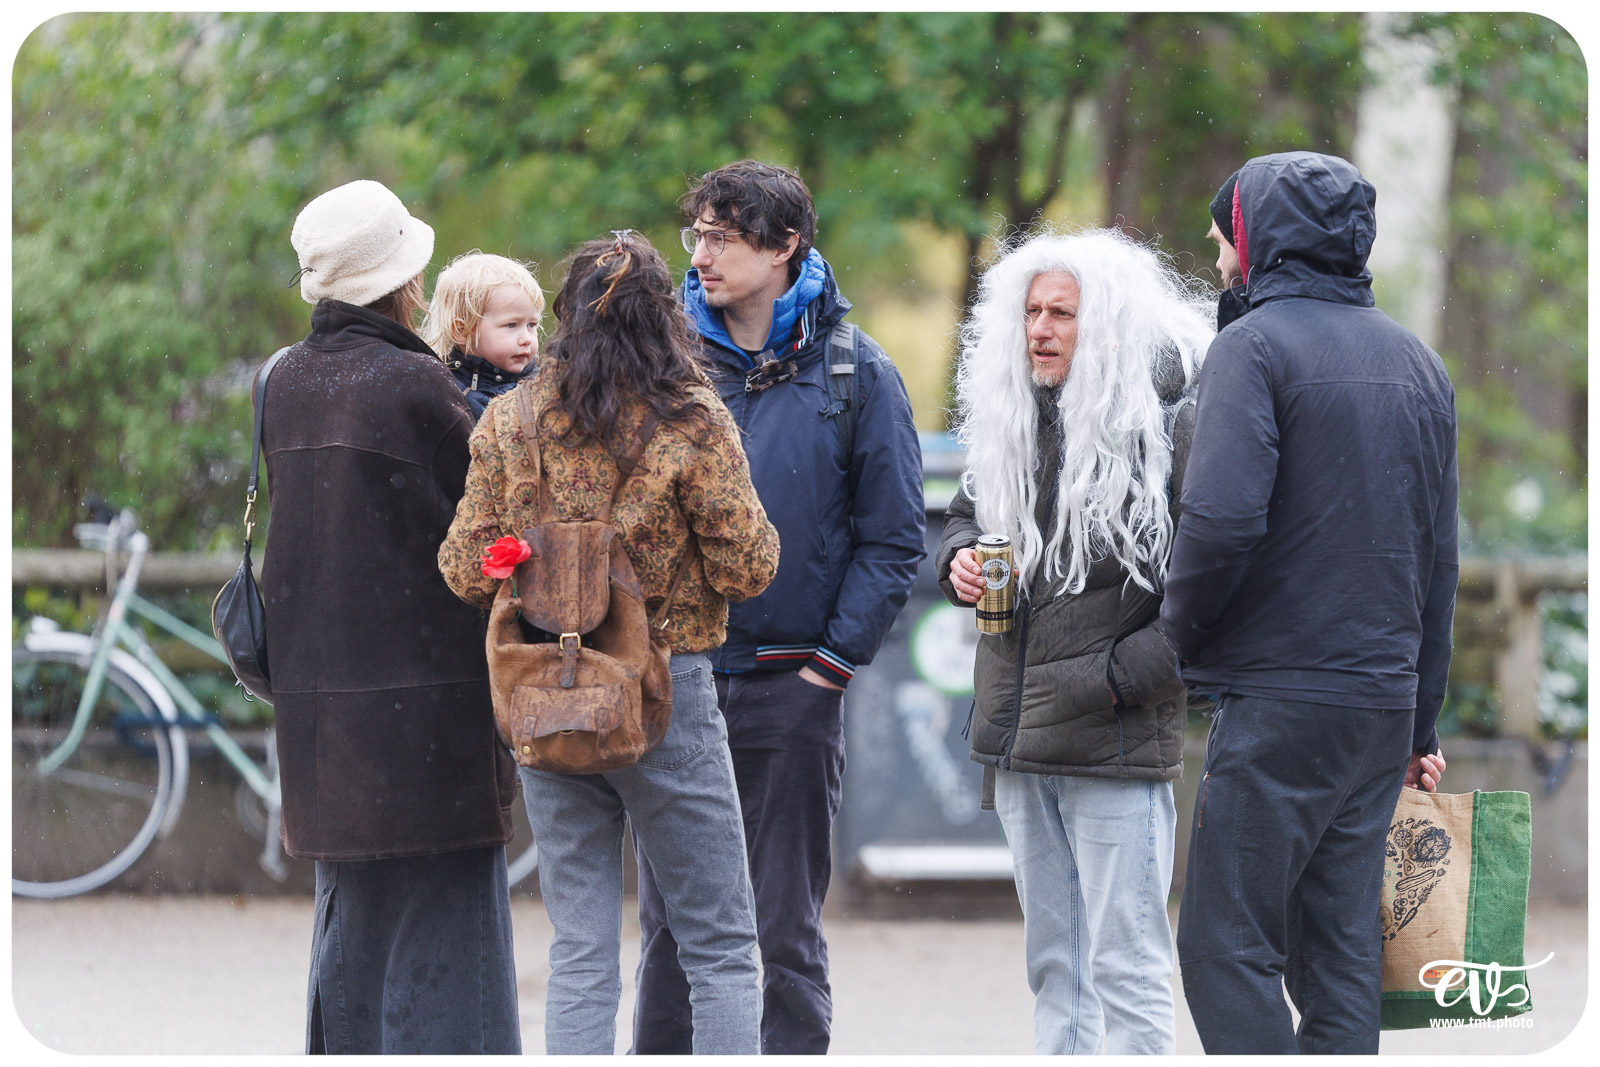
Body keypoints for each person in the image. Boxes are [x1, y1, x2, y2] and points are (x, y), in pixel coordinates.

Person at [438, 231, 781, 1055]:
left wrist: (534, 566)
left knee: (582, 948)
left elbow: (459, 568)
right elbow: (751, 566)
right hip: (667, 697)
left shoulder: (512, 420)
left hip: (547, 698)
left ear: (565, 318)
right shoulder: (693, 419)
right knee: (721, 946)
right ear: (665, 318)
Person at [1161, 151, 1456, 1054]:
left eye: (1223, 238)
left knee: (1225, 946)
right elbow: (1437, 558)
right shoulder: (1419, 361)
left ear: (1257, 238)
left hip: (1282, 698)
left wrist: (1181, 637)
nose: (1216, 258)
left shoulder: (1253, 345)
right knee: (1337, 957)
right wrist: (1422, 722)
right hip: (1377, 708)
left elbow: (1219, 520)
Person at [630, 159, 926, 1055]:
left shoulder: (855, 372)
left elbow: (893, 540)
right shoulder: (662, 365)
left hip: (791, 692)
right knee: (669, 931)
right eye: (697, 236)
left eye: (723, 236)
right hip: (673, 685)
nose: (703, 255)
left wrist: (826, 669)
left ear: (785, 244)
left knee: (783, 928)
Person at [935, 228, 1214, 1054]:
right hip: (1019, 738)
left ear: (1110, 327)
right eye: (1030, 312)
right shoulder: (1012, 414)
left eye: (1062, 313)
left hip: (1115, 739)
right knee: (1054, 964)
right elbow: (964, 513)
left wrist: (1119, 679)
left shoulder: (1174, 424)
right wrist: (956, 557)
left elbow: (1212, 596)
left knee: (1127, 963)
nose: (1041, 329)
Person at [263, 179, 520, 1054]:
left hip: (320, 710)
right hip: (429, 711)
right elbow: (490, 528)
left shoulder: (282, 380)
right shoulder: (419, 384)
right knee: (455, 946)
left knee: (353, 937)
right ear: (402, 283)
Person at [421, 251, 545, 420]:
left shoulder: (541, 389)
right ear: (461, 330)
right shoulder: (443, 389)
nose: (527, 339)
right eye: (511, 325)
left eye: (531, 325)